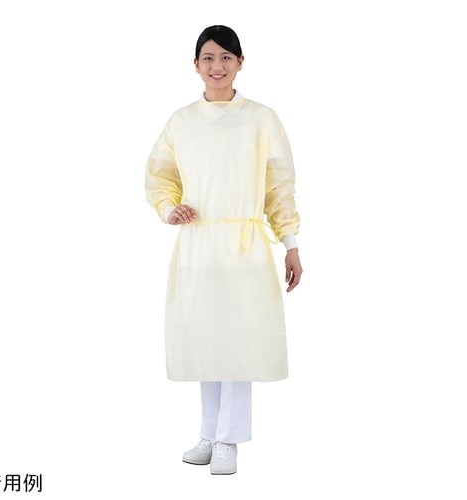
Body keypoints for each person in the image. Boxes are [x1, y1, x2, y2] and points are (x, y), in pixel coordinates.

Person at [145, 25, 303, 475]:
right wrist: (170, 208)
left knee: (239, 339)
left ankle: (229, 438)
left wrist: (290, 243)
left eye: (226, 58)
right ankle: (209, 432)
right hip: (199, 244)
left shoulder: (261, 119)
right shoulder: (182, 122)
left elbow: (279, 186)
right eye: (209, 58)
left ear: (240, 63)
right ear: (195, 64)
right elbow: (160, 176)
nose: (217, 66)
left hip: (244, 244)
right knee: (205, 338)